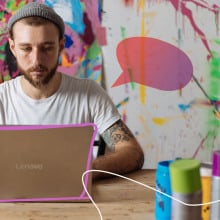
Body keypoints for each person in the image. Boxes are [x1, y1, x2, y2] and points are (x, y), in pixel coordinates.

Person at [2, 2, 144, 179]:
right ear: (13, 48)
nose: (36, 60)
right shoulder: (2, 99)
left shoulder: (89, 94)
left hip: (78, 200)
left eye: (47, 48)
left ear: (61, 46)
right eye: (26, 49)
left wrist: (86, 171)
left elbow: (132, 153)